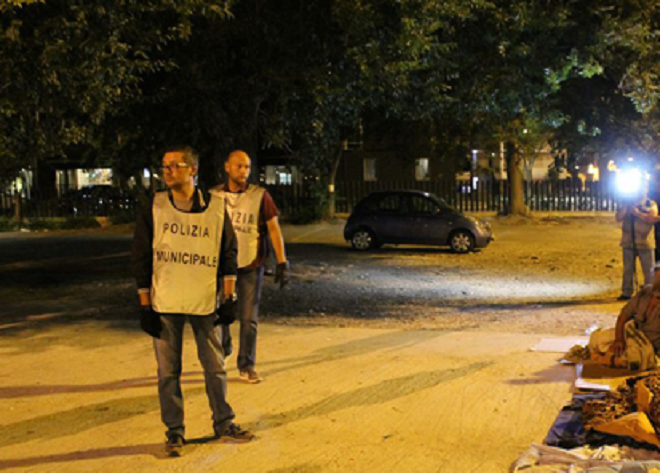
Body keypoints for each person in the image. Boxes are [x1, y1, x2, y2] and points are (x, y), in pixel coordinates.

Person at [131, 147, 253, 457]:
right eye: (165, 166)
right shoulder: (154, 207)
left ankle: (224, 423)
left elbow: (228, 254)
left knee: (215, 367)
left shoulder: (215, 208)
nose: (168, 170)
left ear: (193, 169)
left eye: (175, 165)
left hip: (204, 301)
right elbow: (141, 257)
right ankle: (174, 431)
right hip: (165, 301)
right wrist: (144, 304)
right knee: (168, 371)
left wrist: (229, 298)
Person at [212, 150, 290, 384]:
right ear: (227, 167)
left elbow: (274, 228)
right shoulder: (213, 196)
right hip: (221, 267)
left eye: (247, 167)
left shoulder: (260, 196)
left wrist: (282, 261)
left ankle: (246, 365)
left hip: (251, 265)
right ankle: (224, 348)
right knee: (220, 314)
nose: (244, 171)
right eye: (239, 166)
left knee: (249, 319)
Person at [615, 188, 658, 300]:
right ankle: (626, 292)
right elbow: (618, 218)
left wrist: (638, 213)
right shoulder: (626, 203)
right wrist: (626, 208)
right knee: (628, 269)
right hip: (628, 242)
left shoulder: (650, 204)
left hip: (645, 242)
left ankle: (650, 293)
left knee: (649, 270)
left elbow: (651, 218)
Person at [611, 262, 660, 357]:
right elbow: (623, 316)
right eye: (657, 280)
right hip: (634, 336)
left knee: (632, 356)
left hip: (652, 345)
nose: (658, 283)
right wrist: (619, 339)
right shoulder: (644, 293)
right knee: (596, 339)